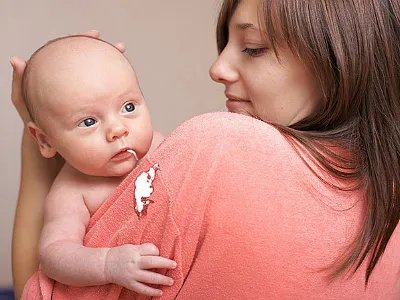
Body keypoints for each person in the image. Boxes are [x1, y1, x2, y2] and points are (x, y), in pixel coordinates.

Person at [11, 0, 400, 299]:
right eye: (89, 120)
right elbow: (58, 252)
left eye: (253, 47)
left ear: (337, 61)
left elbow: (41, 290)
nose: (216, 67)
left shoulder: (217, 147)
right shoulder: (387, 194)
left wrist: (43, 140)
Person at [17, 35, 176, 297]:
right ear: (45, 140)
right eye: (89, 121)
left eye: (128, 106)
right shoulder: (72, 191)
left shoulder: (162, 146)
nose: (117, 129)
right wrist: (108, 264)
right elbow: (54, 255)